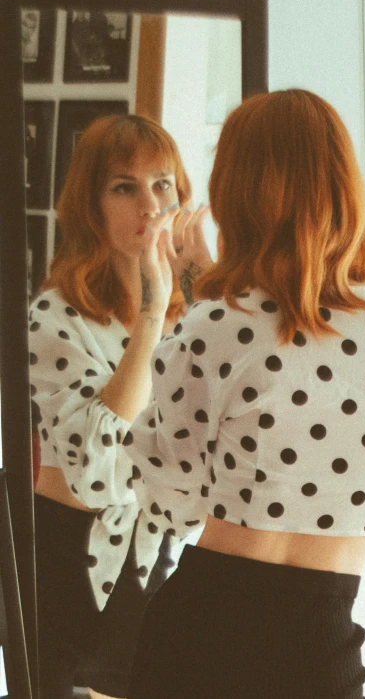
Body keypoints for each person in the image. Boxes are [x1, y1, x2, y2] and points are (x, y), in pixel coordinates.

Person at [125, 88, 365, 699]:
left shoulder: (215, 325)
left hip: (199, 635)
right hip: (321, 645)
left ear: (238, 193)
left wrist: (198, 289)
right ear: (343, 184)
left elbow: (172, 505)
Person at [28, 114, 210, 699]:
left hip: (163, 557)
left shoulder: (200, 318)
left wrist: (197, 286)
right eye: (123, 187)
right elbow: (95, 465)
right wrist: (152, 314)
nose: (150, 205)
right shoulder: (55, 317)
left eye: (163, 184)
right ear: (91, 206)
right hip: (70, 560)